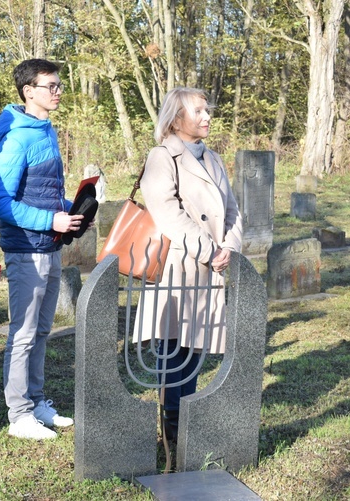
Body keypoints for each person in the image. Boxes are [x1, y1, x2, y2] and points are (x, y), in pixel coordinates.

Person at [133, 87, 243, 440]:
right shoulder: (162, 156)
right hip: (178, 265)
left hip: (211, 266)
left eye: (206, 110)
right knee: (172, 348)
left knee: (195, 345)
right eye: (198, 111)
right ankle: (171, 426)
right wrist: (209, 250)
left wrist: (229, 247)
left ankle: (186, 420)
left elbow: (233, 210)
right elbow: (167, 213)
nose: (207, 116)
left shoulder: (212, 158)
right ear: (177, 118)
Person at [0, 59, 83, 440]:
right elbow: (1, 202)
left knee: (43, 330)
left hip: (50, 245)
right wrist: (50, 221)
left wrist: (70, 211)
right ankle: (19, 414)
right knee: (24, 332)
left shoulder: (46, 130)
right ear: (29, 91)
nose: (58, 91)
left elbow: (42, 192)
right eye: (51, 86)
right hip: (26, 249)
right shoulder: (15, 137)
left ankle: (38, 401)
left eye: (60, 85)